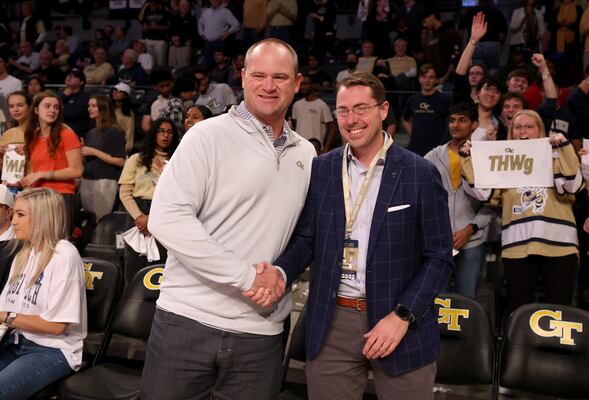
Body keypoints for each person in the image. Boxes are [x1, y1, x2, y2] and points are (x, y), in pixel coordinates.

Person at [246, 72, 453, 399]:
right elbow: (307, 239)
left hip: (400, 322)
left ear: (383, 110)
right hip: (332, 322)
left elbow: (440, 258)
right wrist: (281, 271)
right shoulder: (323, 169)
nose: (351, 119)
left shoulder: (421, 173)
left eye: (361, 108)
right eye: (343, 110)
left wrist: (402, 315)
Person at [141, 38, 316, 400]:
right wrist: (247, 277)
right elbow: (166, 218)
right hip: (187, 320)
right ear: (243, 78)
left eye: (280, 77)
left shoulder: (308, 153)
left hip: (261, 332)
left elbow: (305, 234)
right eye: (259, 75)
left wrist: (279, 274)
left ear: (297, 83)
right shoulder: (206, 136)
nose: (269, 86)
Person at [460, 109, 583, 315]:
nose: (523, 131)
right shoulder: (501, 160)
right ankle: (517, 349)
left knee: (560, 311)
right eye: (517, 127)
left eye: (529, 126)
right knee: (518, 310)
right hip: (517, 245)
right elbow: (483, 193)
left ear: (539, 129)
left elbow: (571, 186)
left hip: (559, 245)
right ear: (511, 132)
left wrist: (565, 147)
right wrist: (467, 159)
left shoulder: (557, 153)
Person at [0, 187, 86, 399]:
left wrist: (5, 317)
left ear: (42, 217)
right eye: (14, 214)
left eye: (20, 215)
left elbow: (56, 326)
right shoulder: (24, 253)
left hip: (52, 351)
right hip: (17, 342)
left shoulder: (64, 254)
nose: (13, 222)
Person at [425, 103, 493, 297]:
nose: (455, 125)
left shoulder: (484, 158)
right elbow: (420, 196)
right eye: (452, 120)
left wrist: (470, 228)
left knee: (467, 300)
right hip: (439, 241)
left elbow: (493, 204)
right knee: (437, 300)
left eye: (462, 120)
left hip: (472, 239)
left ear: (474, 125)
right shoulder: (433, 156)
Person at [118, 118, 178, 283]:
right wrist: (140, 217)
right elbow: (124, 193)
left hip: (165, 214)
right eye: (161, 131)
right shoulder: (137, 159)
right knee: (134, 264)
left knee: (160, 265)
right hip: (138, 213)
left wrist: (155, 219)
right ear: (153, 133)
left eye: (170, 132)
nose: (165, 135)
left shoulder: (178, 160)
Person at [19, 91, 84, 237]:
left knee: (57, 246)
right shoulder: (32, 135)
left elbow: (77, 171)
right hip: (37, 198)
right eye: (47, 106)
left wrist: (42, 174)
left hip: (60, 197)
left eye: (56, 107)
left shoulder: (67, 134)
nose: (52, 110)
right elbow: (33, 169)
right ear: (36, 110)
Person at [80, 95, 126, 222]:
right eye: (89, 106)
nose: (89, 109)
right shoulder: (91, 133)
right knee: (89, 220)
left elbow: (120, 161)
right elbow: (88, 159)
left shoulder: (114, 132)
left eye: (93, 106)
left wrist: (94, 152)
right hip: (87, 179)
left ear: (103, 108)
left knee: (101, 220)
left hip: (105, 181)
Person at [401, 64, 452, 156]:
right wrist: (413, 134)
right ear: (419, 79)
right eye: (424, 77)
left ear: (436, 79)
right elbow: (405, 119)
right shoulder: (412, 100)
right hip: (416, 148)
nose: (427, 80)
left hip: (438, 149)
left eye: (431, 77)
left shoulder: (444, 100)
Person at [291, 75, 336, 152]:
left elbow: (332, 128)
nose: (302, 87)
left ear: (314, 85)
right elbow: (295, 125)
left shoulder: (321, 105)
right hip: (298, 149)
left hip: (316, 149)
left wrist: (326, 148)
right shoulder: (296, 105)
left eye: (305, 84)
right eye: (301, 84)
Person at [0, 91, 30, 181]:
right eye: (11, 106)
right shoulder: (7, 134)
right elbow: (4, 168)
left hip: (33, 186)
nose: (15, 110)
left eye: (20, 105)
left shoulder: (39, 131)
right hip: (10, 186)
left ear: (29, 107)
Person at [59, 68, 91, 138]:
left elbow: (75, 113)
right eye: (68, 75)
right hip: (59, 133)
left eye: (74, 76)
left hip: (78, 134)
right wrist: (63, 96)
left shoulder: (86, 97)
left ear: (81, 82)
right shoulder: (60, 95)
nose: (69, 77)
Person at [110, 82, 135, 153]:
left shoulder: (128, 113)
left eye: (119, 92)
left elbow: (129, 133)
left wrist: (128, 148)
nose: (115, 93)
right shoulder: (108, 109)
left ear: (125, 96)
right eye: (114, 91)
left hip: (119, 144)